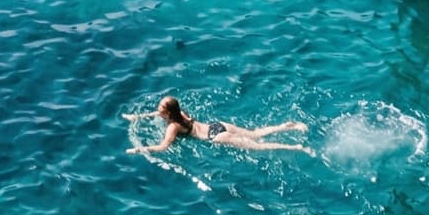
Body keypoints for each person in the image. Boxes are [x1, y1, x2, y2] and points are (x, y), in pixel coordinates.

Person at [130, 95, 314, 156]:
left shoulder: (173, 127)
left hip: (216, 137)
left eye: (160, 108)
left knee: (258, 147)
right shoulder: (181, 114)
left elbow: (163, 147)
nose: (157, 110)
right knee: (255, 133)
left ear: (167, 113)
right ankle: (287, 126)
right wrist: (137, 117)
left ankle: (296, 147)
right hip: (216, 125)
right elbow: (157, 113)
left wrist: (140, 149)